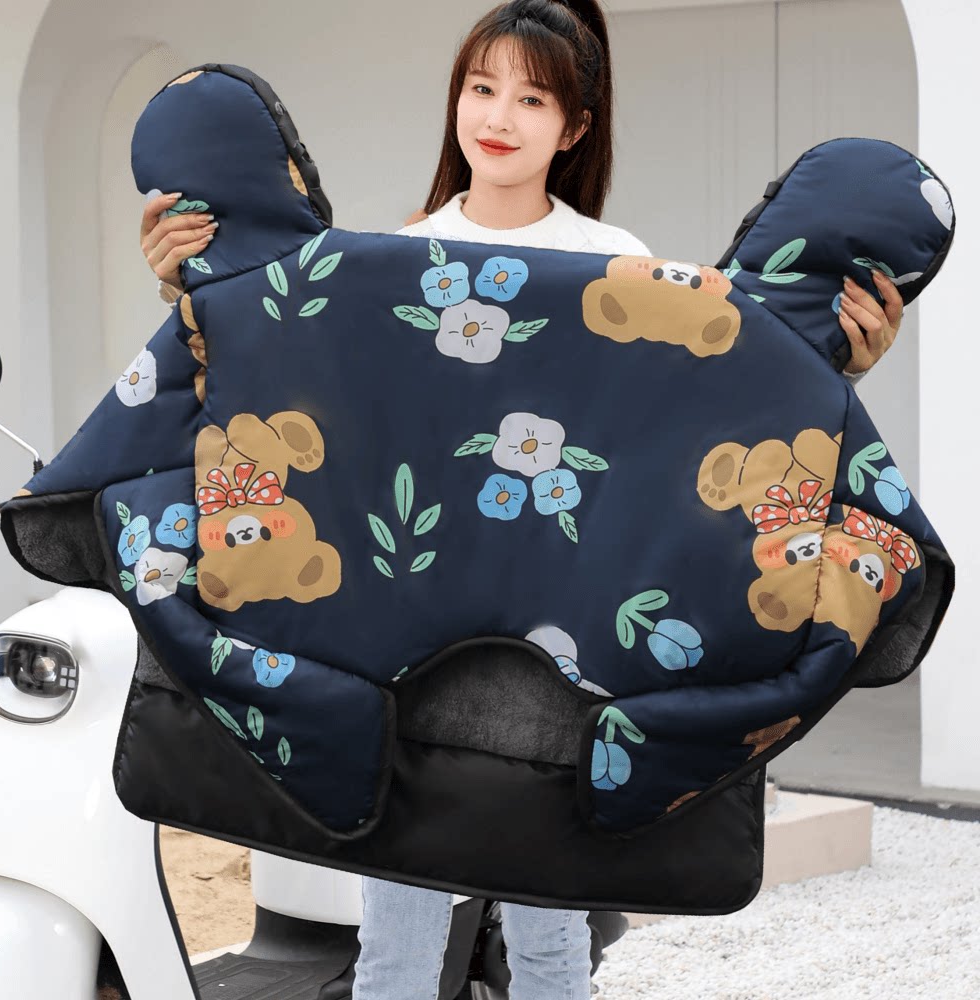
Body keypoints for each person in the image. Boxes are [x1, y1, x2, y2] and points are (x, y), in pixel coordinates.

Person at [138, 4, 904, 995]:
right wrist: (193, 295)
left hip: (561, 642)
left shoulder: (617, 258)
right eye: (481, 87)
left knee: (549, 931)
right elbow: (313, 405)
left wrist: (829, 369)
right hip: (411, 632)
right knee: (397, 934)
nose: (498, 117)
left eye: (532, 98)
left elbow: (691, 420)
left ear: (574, 126)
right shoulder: (392, 256)